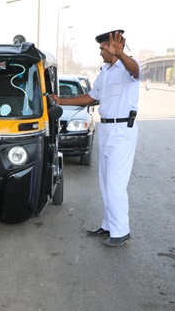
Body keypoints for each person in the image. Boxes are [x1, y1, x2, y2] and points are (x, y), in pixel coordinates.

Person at [51, 30, 140, 247]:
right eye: (101, 48)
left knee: (116, 184)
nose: (101, 52)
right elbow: (92, 97)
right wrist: (61, 100)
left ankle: (121, 231)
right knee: (105, 182)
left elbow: (135, 71)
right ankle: (109, 225)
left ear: (114, 47)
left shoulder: (128, 67)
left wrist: (121, 55)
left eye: (103, 48)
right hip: (107, 128)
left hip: (122, 129)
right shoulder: (105, 72)